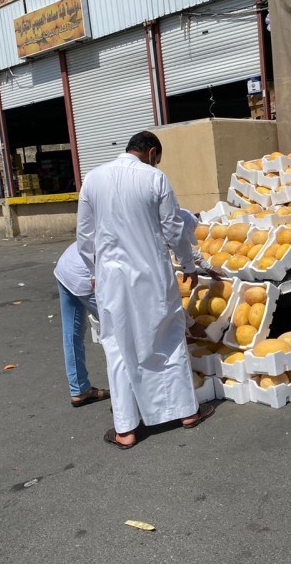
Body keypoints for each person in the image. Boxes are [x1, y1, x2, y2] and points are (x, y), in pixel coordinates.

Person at [77, 131, 214, 450]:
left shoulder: (93, 179)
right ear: (152, 152)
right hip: (152, 275)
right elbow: (173, 229)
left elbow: (85, 235)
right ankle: (187, 413)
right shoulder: (155, 178)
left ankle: (125, 429)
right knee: (168, 339)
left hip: (112, 279)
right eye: (157, 159)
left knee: (118, 346)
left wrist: (93, 272)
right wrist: (188, 265)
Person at [54, 243, 111, 407]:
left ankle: (79, 389)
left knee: (71, 332)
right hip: (86, 274)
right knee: (119, 332)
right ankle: (130, 396)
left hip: (67, 265)